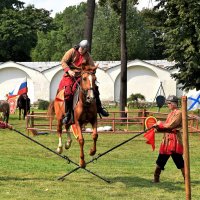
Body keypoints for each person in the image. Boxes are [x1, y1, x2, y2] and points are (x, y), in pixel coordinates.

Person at [59, 39, 109, 124]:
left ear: (86, 49)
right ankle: (68, 114)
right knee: (68, 92)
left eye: (83, 49)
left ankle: (99, 108)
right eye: (81, 48)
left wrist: (91, 71)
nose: (81, 50)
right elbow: (63, 61)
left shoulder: (87, 56)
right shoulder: (71, 51)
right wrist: (69, 71)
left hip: (82, 76)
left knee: (95, 89)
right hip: (70, 75)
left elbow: (92, 66)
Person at [152, 95, 185, 183]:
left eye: (169, 103)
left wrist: (160, 124)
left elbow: (171, 125)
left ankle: (187, 179)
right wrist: (157, 128)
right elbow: (166, 126)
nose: (168, 105)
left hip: (175, 139)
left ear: (174, 104)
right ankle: (156, 178)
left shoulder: (179, 113)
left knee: (179, 161)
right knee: (161, 159)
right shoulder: (170, 113)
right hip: (166, 140)